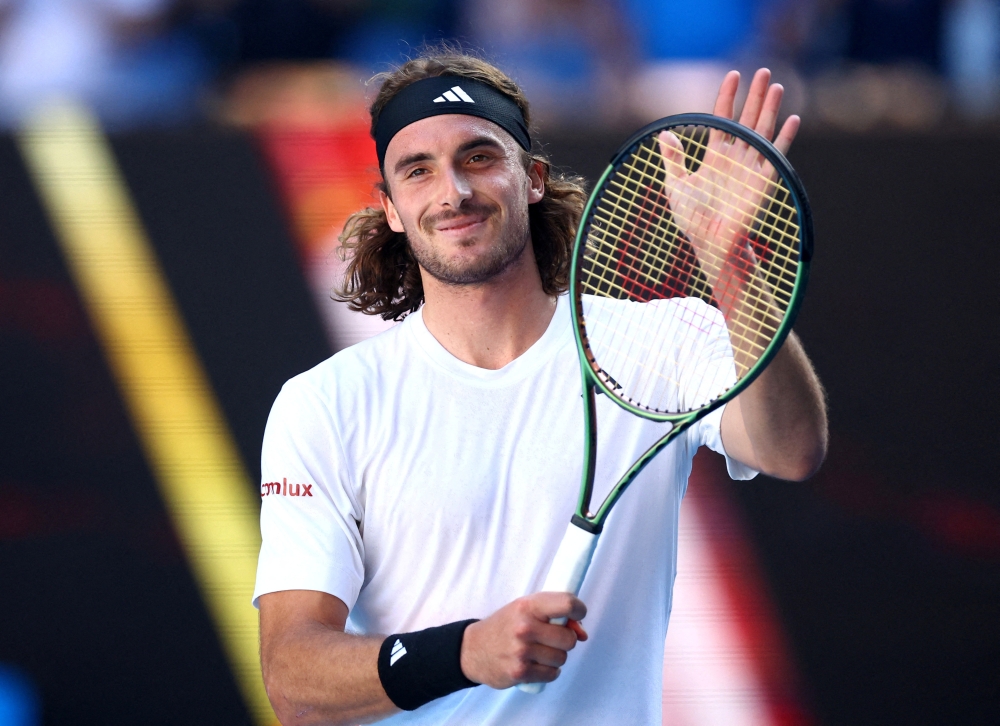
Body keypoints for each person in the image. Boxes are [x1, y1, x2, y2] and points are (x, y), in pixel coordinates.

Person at [253, 48, 827, 725]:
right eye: (418, 170)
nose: (453, 192)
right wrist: (466, 653)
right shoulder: (324, 404)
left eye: (478, 157)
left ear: (531, 179)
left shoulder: (664, 340)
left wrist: (731, 265)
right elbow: (292, 679)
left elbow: (791, 450)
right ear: (393, 209)